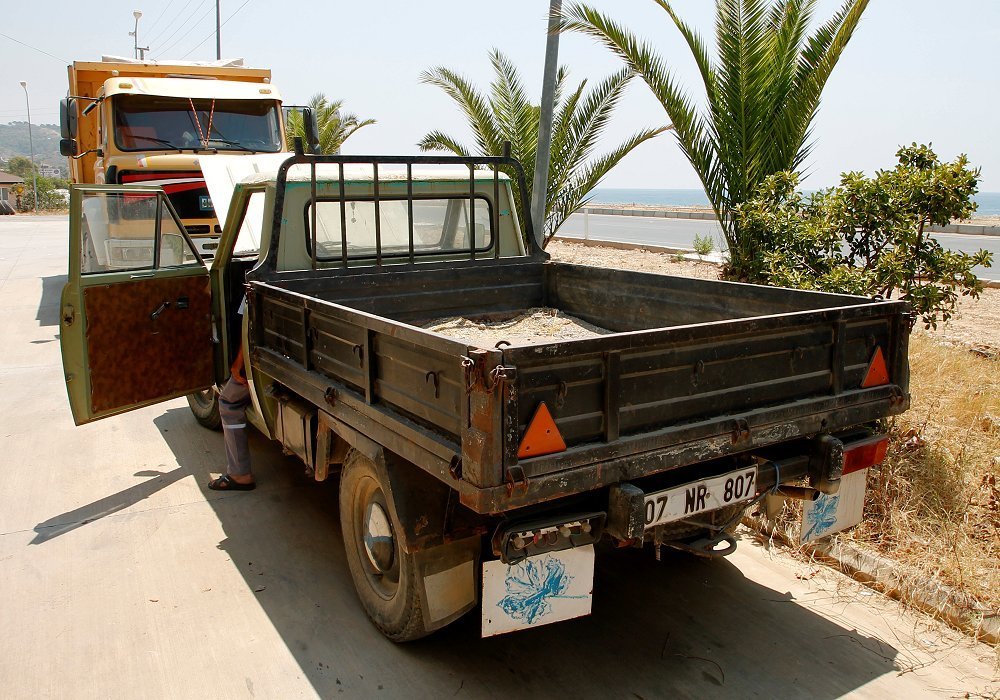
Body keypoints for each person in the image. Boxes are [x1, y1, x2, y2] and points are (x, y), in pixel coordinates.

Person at [208, 298, 256, 491]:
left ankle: (240, 474)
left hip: (263, 360)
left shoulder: (256, 276)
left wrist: (238, 365)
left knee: (229, 402)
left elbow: (249, 327)